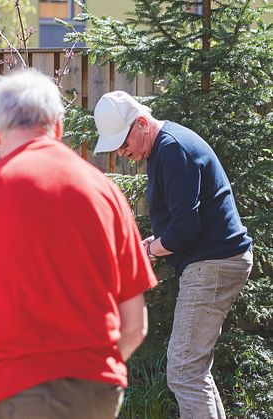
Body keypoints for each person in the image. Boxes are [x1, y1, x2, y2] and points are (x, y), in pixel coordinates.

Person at [0, 69, 158, 418]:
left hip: (4, 389)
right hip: (95, 391)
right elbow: (134, 325)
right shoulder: (106, 194)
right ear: (57, 126)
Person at [93, 91, 253, 419]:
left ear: (141, 123)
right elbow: (183, 223)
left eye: (123, 145)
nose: (125, 154)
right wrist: (151, 244)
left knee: (183, 372)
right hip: (216, 260)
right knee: (193, 372)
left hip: (214, 263)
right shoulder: (165, 148)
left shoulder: (172, 150)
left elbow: (185, 231)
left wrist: (148, 250)